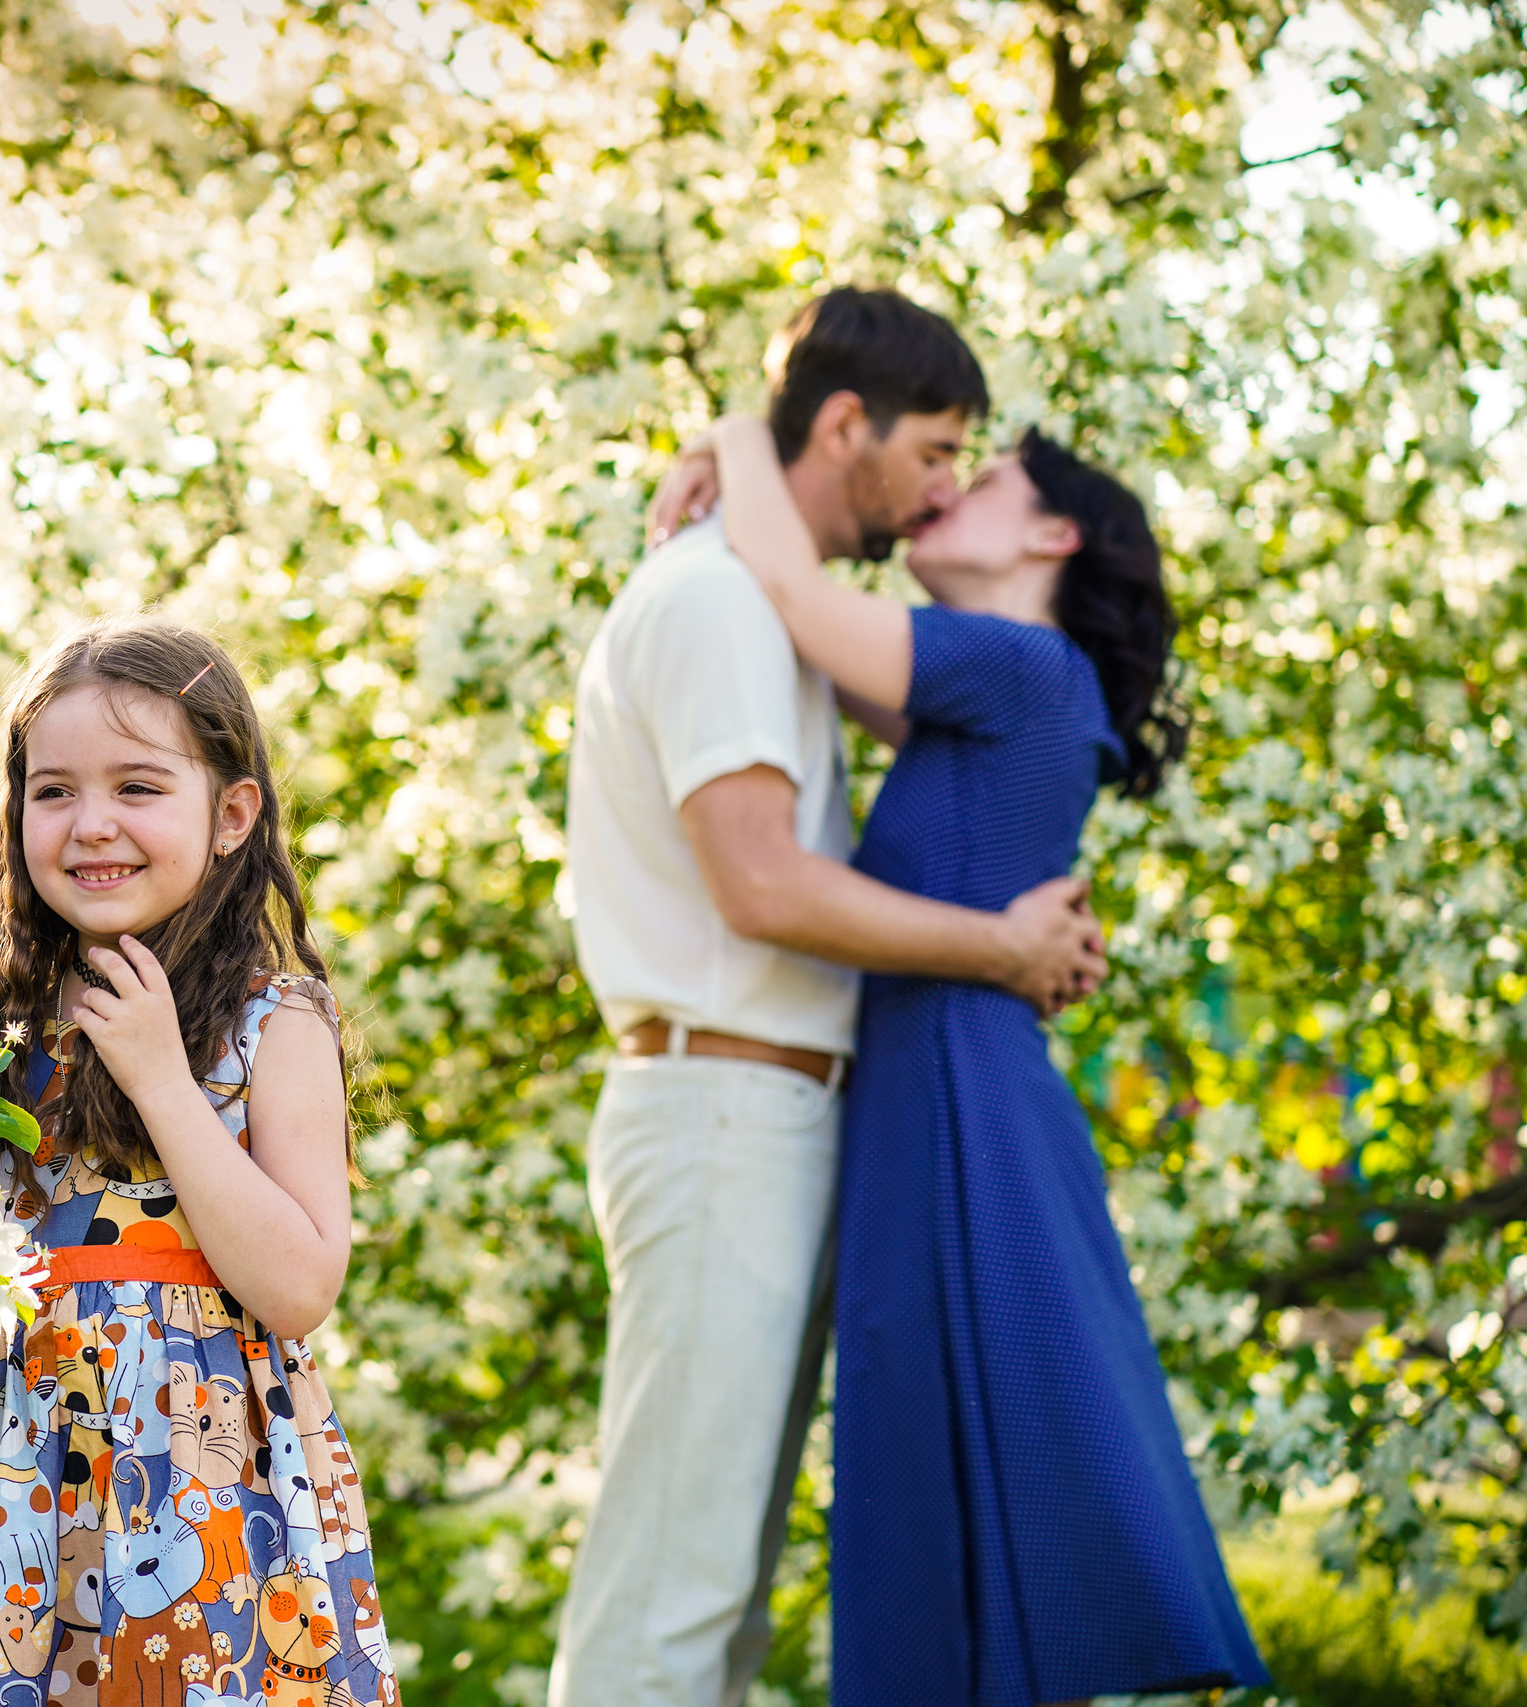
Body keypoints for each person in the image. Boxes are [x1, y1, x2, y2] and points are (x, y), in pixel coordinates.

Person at [551, 289, 1111, 1707]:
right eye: (934, 447)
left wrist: (730, 447)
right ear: (846, 424)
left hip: (768, 1110)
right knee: (670, 1592)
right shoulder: (723, 601)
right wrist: (997, 946)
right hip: (726, 1106)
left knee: (713, 1587)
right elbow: (766, 885)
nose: (945, 482)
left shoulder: (770, 601)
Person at [691, 411, 1269, 1704]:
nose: (942, 490)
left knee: (939, 1455)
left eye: (982, 473)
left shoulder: (1020, 665)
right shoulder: (1001, 686)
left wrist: (738, 434)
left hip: (958, 1094)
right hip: (947, 1080)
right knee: (941, 1461)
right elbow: (794, 623)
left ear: (1052, 530)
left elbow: (788, 588)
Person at [0, 617, 398, 1707]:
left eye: (138, 788)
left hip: (202, 1496)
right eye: (52, 790)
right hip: (18, 1494)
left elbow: (298, 1288)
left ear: (232, 814)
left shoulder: (272, 1022)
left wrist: (161, 1079)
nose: (91, 825)